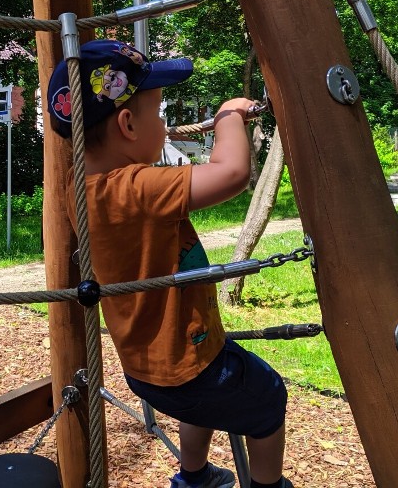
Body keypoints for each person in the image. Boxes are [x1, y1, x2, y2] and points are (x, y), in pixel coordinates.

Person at [48, 40, 292, 488]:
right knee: (268, 397)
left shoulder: (80, 185)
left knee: (201, 408)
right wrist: (228, 117)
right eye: (159, 116)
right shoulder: (134, 187)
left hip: (151, 365)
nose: (165, 124)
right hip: (188, 363)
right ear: (126, 124)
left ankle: (195, 478)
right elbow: (232, 172)